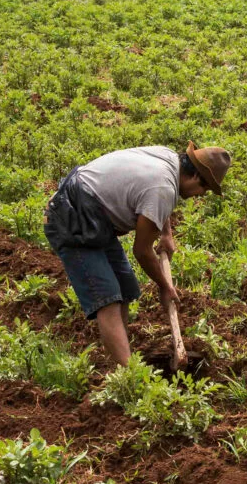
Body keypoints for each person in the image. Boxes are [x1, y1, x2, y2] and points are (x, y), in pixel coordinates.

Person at [44, 142, 231, 366]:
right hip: (72, 215)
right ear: (194, 178)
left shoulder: (168, 159)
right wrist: (164, 286)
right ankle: (131, 378)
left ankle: (121, 361)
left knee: (125, 289)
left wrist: (166, 234)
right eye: (205, 189)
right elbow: (142, 251)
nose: (201, 195)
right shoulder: (163, 189)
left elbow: (155, 200)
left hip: (96, 213)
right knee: (108, 298)